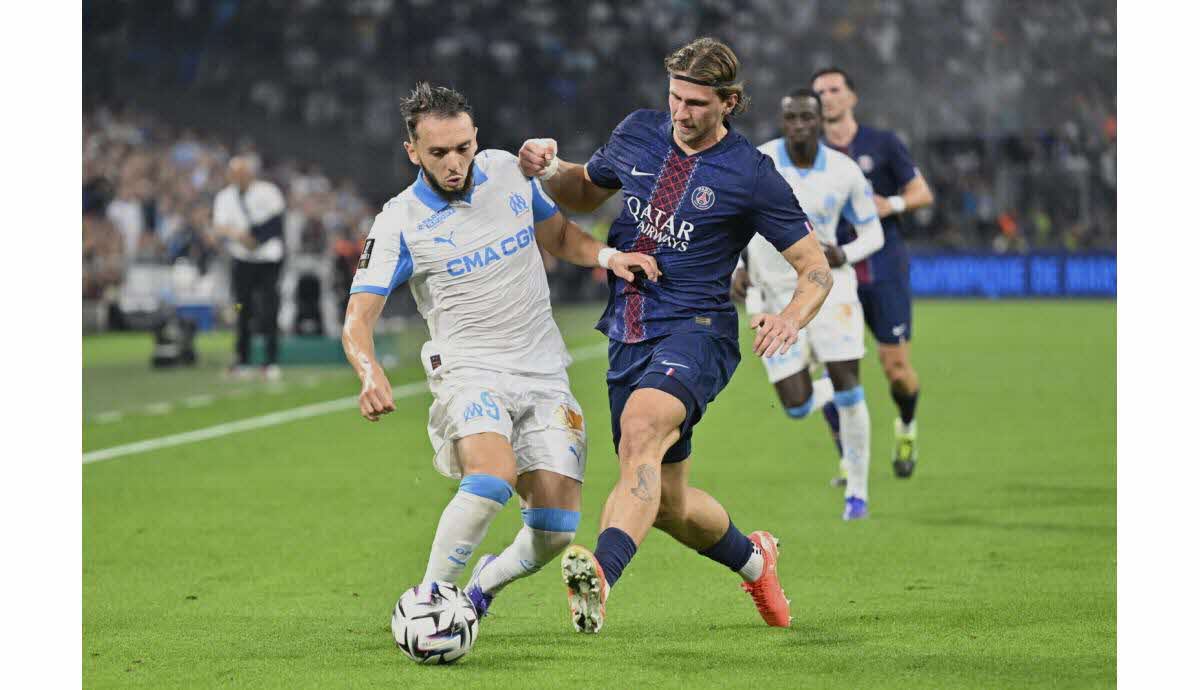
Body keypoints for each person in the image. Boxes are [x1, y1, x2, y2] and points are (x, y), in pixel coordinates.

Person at [519, 37, 832, 634]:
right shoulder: (639, 131)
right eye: (675, 98)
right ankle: (755, 559)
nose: (681, 113)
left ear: (730, 102)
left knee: (640, 433)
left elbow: (814, 268)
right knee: (665, 503)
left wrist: (791, 317)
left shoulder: (751, 175)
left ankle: (600, 576)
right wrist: (550, 168)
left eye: (696, 103)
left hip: (699, 331)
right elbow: (584, 192)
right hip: (628, 330)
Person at [340, 83, 659, 620]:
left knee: (555, 531)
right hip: (469, 371)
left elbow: (556, 235)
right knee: (490, 479)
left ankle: (482, 587)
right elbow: (358, 318)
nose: (453, 162)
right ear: (412, 151)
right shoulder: (399, 222)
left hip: (543, 371)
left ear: (476, 138)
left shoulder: (509, 171)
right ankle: (429, 602)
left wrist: (608, 255)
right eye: (438, 152)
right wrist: (369, 372)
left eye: (462, 147)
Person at [731, 89, 884, 520]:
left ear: (820, 121)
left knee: (848, 384)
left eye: (807, 117)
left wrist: (845, 254)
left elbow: (874, 232)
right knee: (796, 404)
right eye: (791, 117)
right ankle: (842, 391)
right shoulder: (757, 163)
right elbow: (728, 223)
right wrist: (733, 270)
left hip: (830, 288)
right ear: (783, 122)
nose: (799, 125)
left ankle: (857, 492)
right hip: (770, 293)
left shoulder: (845, 171)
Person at [811, 67, 935, 478]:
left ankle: (906, 424)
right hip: (832, 271)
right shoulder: (810, 153)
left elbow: (922, 193)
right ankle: (849, 456)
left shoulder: (883, 144)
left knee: (896, 369)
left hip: (882, 266)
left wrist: (892, 205)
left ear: (852, 97)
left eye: (834, 89)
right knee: (833, 369)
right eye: (819, 92)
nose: (827, 97)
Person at [213, 155, 287, 381]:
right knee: (240, 308)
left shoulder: (268, 192)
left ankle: (271, 360)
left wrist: (255, 239)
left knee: (269, 308)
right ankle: (242, 358)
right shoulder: (225, 197)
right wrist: (240, 237)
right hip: (242, 259)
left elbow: (276, 223)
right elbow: (220, 226)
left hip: (268, 258)